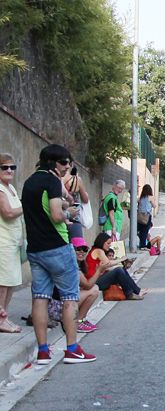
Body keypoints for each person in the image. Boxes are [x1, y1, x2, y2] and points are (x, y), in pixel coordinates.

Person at [21, 144, 96, 364]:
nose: (68, 167)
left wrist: (64, 201)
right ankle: (72, 349)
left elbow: (42, 207)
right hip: (57, 247)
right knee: (70, 298)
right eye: (65, 162)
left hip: (35, 249)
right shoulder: (52, 181)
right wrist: (69, 212)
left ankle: (43, 351)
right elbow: (55, 215)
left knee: (40, 298)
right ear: (53, 162)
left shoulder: (29, 182)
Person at [0, 153, 24, 333]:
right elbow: (7, 213)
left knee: (11, 282)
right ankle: (1, 319)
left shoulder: (11, 188)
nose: (9, 170)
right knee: (4, 282)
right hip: (3, 242)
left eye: (12, 167)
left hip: (12, 242)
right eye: (4, 167)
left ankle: (4, 316)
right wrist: (26, 206)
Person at [87, 233, 145, 300]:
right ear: (102, 242)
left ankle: (137, 290)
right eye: (108, 243)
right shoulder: (98, 251)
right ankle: (129, 294)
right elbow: (108, 264)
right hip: (94, 282)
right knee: (119, 270)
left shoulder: (100, 251)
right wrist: (121, 259)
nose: (109, 246)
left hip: (98, 278)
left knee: (122, 270)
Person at [62, 161, 90, 240]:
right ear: (71, 165)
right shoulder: (76, 179)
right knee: (77, 248)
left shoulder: (55, 178)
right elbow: (85, 200)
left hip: (57, 217)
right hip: (74, 218)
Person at [137, 184, 155, 250]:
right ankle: (143, 245)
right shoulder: (151, 197)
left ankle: (141, 244)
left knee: (140, 231)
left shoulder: (140, 198)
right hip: (147, 216)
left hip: (139, 216)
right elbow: (154, 206)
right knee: (145, 231)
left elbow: (138, 205)